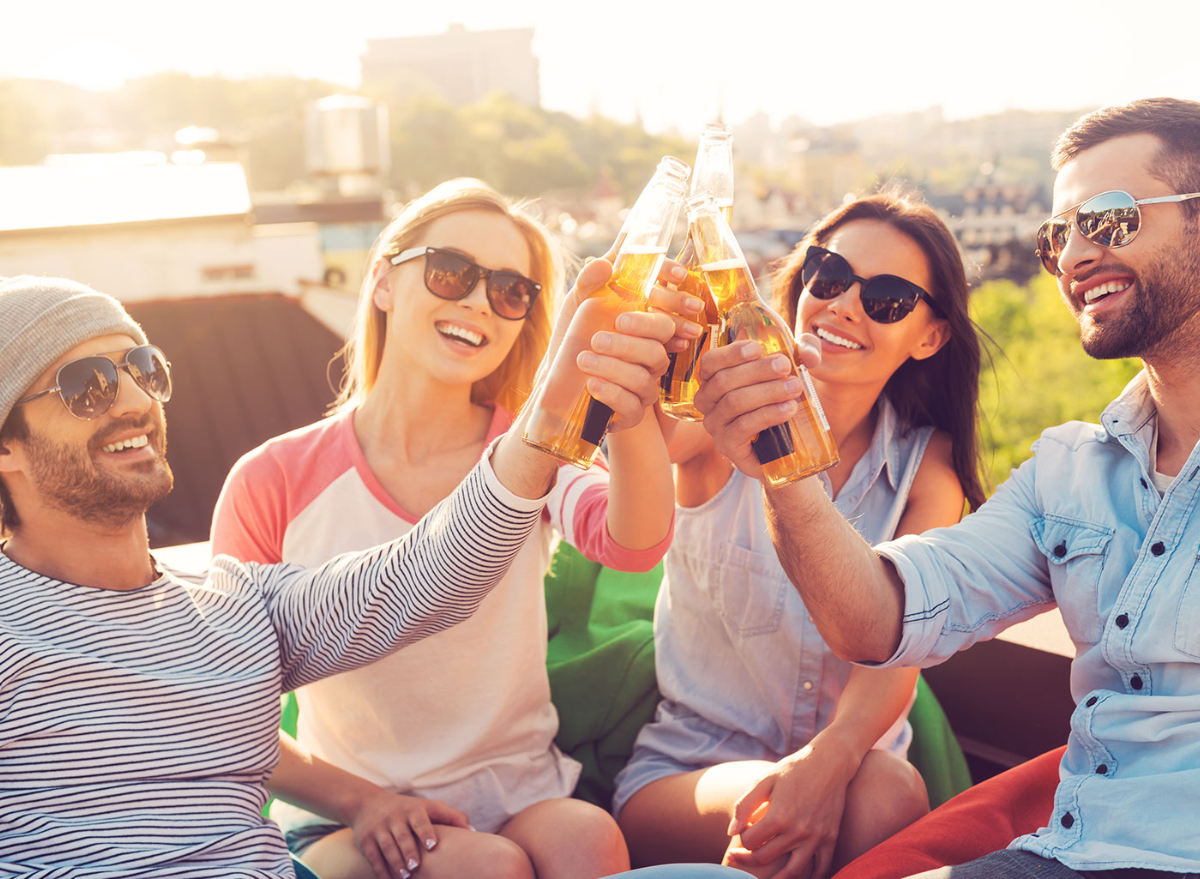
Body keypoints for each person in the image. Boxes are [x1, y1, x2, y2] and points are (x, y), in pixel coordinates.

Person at [0, 266, 681, 878]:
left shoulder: (240, 608)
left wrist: (547, 418)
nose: (131, 400)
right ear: (7, 447)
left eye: (141, 368)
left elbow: (428, 574)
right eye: (84, 386)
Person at [696, 96, 1200, 878]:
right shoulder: (1068, 475)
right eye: (1057, 237)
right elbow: (877, 618)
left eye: (1108, 220)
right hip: (1063, 853)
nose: (1071, 257)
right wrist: (786, 469)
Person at [209, 179, 687, 879]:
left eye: (510, 291)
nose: (476, 302)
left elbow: (636, 542)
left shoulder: (536, 450)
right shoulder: (272, 476)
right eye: (451, 272)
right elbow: (223, 702)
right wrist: (363, 799)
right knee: (486, 868)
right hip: (347, 809)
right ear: (381, 281)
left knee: (591, 842)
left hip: (521, 788)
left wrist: (633, 410)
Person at [613, 192, 986, 879]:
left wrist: (826, 763)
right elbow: (646, 441)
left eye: (889, 299)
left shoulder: (927, 466)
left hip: (852, 769)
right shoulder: (713, 407)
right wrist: (646, 345)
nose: (843, 306)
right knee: (772, 815)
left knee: (889, 791)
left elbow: (899, 651)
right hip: (694, 771)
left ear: (930, 336)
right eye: (831, 275)